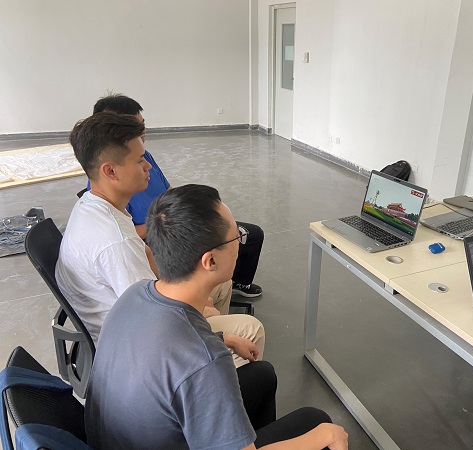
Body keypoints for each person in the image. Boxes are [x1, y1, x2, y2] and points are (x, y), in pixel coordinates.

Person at [85, 183, 349, 450]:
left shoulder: (136, 293)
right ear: (210, 261)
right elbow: (191, 359)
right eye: (236, 238)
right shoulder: (206, 361)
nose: (239, 245)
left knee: (263, 375)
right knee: (316, 422)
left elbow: (165, 351)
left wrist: (226, 339)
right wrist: (324, 436)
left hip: (113, 440)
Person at [56, 112, 264, 366]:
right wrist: (219, 333)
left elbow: (146, 255)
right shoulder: (115, 243)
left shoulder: (96, 206)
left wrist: (198, 305)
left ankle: (211, 360)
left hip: (132, 316)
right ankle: (216, 374)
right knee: (250, 330)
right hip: (131, 347)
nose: (148, 167)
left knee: (220, 285)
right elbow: (154, 321)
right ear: (110, 170)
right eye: (139, 161)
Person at [90, 93, 264, 299]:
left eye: (143, 126)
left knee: (249, 234)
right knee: (230, 240)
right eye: (135, 128)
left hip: (171, 222)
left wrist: (193, 209)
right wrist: (163, 223)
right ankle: (217, 286)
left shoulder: (143, 158)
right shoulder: (112, 208)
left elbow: (169, 191)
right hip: (164, 232)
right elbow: (133, 244)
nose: (146, 167)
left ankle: (235, 283)